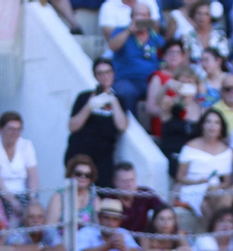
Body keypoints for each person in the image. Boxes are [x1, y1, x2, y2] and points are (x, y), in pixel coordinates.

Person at [66, 58, 126, 187]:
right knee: (76, 190)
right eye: (100, 73)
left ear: (113, 73)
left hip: (104, 156)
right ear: (95, 76)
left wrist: (113, 100)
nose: (105, 76)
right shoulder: (84, 97)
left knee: (103, 191)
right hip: (80, 152)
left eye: (108, 72)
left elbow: (122, 126)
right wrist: (89, 106)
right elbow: (72, 126)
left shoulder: (120, 100)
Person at [108, 1, 162, 116]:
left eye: (144, 15)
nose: (140, 18)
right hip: (125, 79)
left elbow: (164, 60)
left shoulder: (156, 38)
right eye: (137, 15)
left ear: (149, 18)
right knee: (127, 93)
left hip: (150, 81)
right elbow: (112, 46)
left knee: (162, 91)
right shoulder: (120, 31)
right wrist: (129, 30)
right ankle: (131, 126)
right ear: (131, 17)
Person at [0, 110, 38, 207]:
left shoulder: (26, 145)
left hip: (23, 194)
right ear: (0, 129)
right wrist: (13, 202)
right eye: (11, 129)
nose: (15, 133)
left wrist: (33, 199)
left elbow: (33, 175)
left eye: (18, 129)